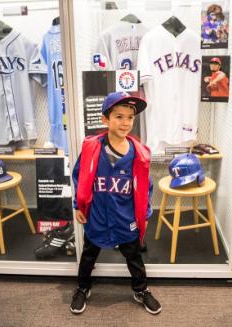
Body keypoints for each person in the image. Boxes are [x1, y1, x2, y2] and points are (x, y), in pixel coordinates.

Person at [70, 91, 162, 315]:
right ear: (105, 119)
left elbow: (145, 188)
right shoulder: (92, 148)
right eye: (119, 116)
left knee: (134, 256)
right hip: (98, 214)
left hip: (125, 217)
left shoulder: (138, 154)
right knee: (89, 254)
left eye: (130, 117)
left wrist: (145, 215)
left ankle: (140, 290)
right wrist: (77, 205)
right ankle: (83, 287)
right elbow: (78, 176)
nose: (125, 122)